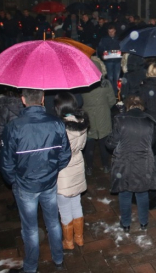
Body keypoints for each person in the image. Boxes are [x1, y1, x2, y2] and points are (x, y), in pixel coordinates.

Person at [0, 89, 71, 273]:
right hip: (48, 183)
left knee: (30, 229)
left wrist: (14, 181)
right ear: (42, 99)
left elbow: (5, 161)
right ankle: (58, 259)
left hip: (26, 186)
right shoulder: (56, 123)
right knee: (53, 222)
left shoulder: (13, 127)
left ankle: (30, 268)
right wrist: (52, 171)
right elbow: (65, 154)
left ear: (23, 100)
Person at [106, 95, 156, 232]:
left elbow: (111, 144)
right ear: (142, 107)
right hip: (143, 163)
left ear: (128, 106)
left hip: (124, 163)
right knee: (142, 193)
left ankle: (126, 223)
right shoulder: (149, 121)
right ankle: (144, 222)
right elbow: (152, 143)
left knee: (125, 193)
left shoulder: (120, 120)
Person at [53, 92, 89, 250]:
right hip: (78, 163)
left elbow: (57, 151)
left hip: (64, 170)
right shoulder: (81, 121)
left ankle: (68, 242)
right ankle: (79, 238)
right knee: (76, 203)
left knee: (64, 207)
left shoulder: (60, 127)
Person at [81, 59, 116, 175]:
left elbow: (79, 101)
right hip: (103, 116)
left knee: (89, 145)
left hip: (88, 117)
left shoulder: (82, 84)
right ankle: (106, 166)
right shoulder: (106, 83)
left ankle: (89, 168)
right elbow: (112, 100)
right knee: (104, 143)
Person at [97, 24, 122, 96]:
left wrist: (122, 53)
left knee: (116, 78)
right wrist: (102, 56)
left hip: (117, 61)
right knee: (110, 77)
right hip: (108, 61)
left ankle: (116, 93)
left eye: (112, 31)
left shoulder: (119, 38)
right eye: (109, 32)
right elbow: (100, 48)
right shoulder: (104, 39)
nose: (111, 33)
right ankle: (111, 93)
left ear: (115, 31)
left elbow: (122, 48)